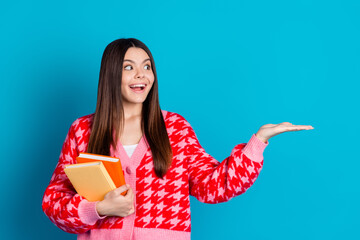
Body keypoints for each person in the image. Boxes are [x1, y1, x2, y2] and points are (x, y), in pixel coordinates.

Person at [42, 38, 313, 240]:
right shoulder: (83, 130)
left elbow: (212, 186)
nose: (141, 75)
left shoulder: (175, 128)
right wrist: (99, 208)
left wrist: (258, 142)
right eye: (129, 67)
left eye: (147, 66)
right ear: (111, 74)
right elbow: (54, 203)